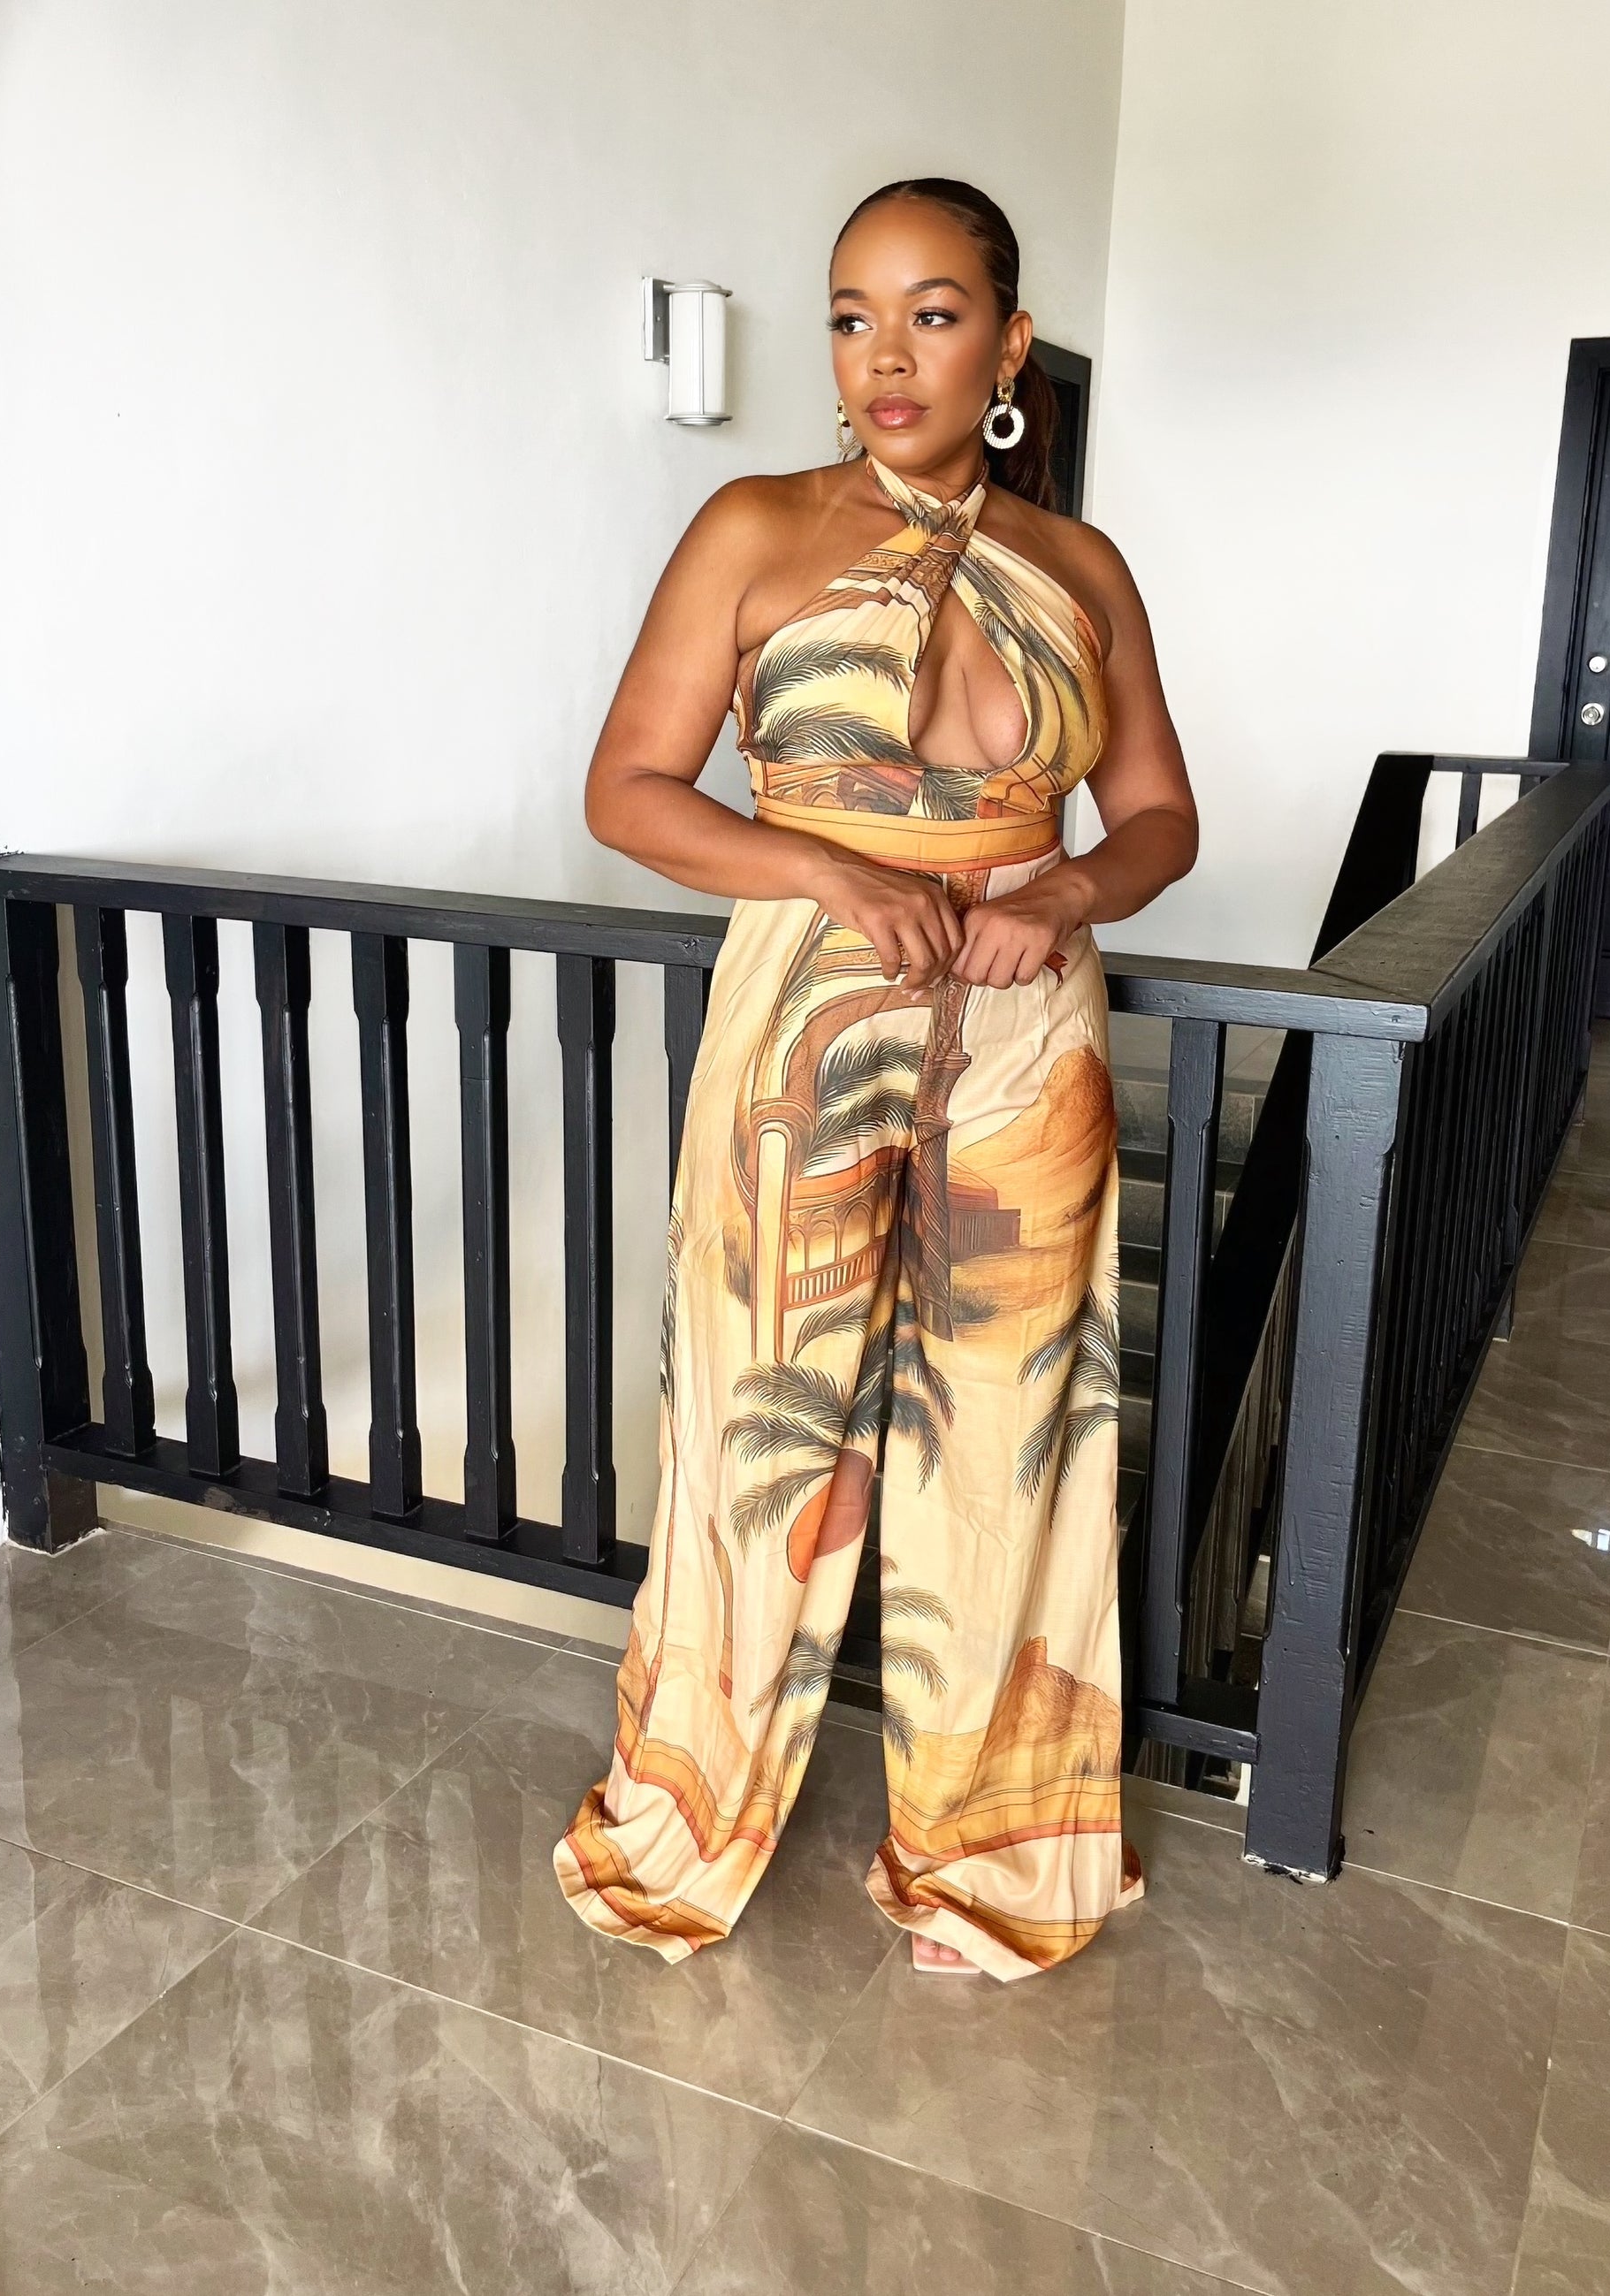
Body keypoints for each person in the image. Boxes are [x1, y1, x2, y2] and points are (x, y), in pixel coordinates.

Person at [553, 175, 1197, 1980]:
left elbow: (1159, 813)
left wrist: (1068, 890)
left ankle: (992, 1851)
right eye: (851, 316)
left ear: (1007, 340)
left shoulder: (1084, 567)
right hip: (803, 1028)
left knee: (1014, 1435)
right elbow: (625, 790)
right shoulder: (753, 526)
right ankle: (685, 1811)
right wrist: (829, 870)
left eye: (930, 313)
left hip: (1028, 1035)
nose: (884, 356)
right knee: (758, 1428)